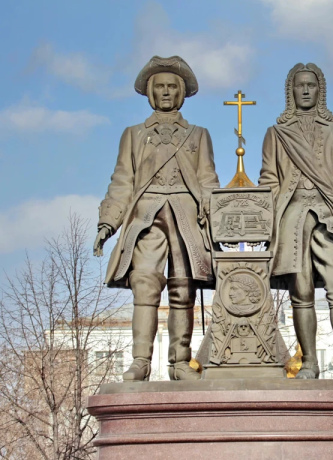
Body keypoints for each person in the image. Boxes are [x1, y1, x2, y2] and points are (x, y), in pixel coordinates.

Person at [93, 56, 219, 381]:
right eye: (160, 86)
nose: (165, 92)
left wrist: (214, 219)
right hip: (146, 216)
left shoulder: (198, 135)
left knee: (183, 288)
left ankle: (180, 362)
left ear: (180, 93)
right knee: (145, 284)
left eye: (172, 87)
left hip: (186, 216)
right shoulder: (133, 135)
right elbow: (122, 182)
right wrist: (108, 223)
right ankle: (140, 361)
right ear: (151, 92)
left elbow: (208, 181)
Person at [259, 63, 333, 380]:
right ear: (290, 91)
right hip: (292, 217)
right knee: (300, 292)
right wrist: (264, 222)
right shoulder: (276, 134)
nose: (305, 90)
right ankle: (309, 362)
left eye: (311, 85)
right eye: (299, 85)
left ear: (320, 91)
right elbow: (269, 181)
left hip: (330, 214)